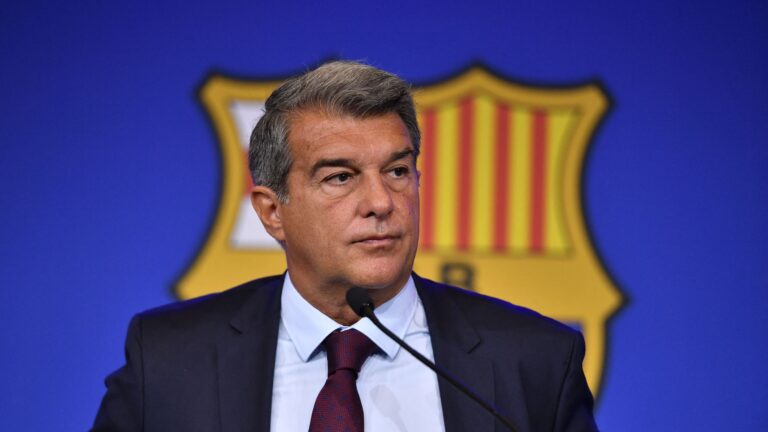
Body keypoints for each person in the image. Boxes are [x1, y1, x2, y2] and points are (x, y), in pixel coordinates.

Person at [92, 61, 598, 432]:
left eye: (397, 171)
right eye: (340, 177)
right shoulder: (168, 359)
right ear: (272, 212)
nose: (381, 202)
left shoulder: (534, 361)